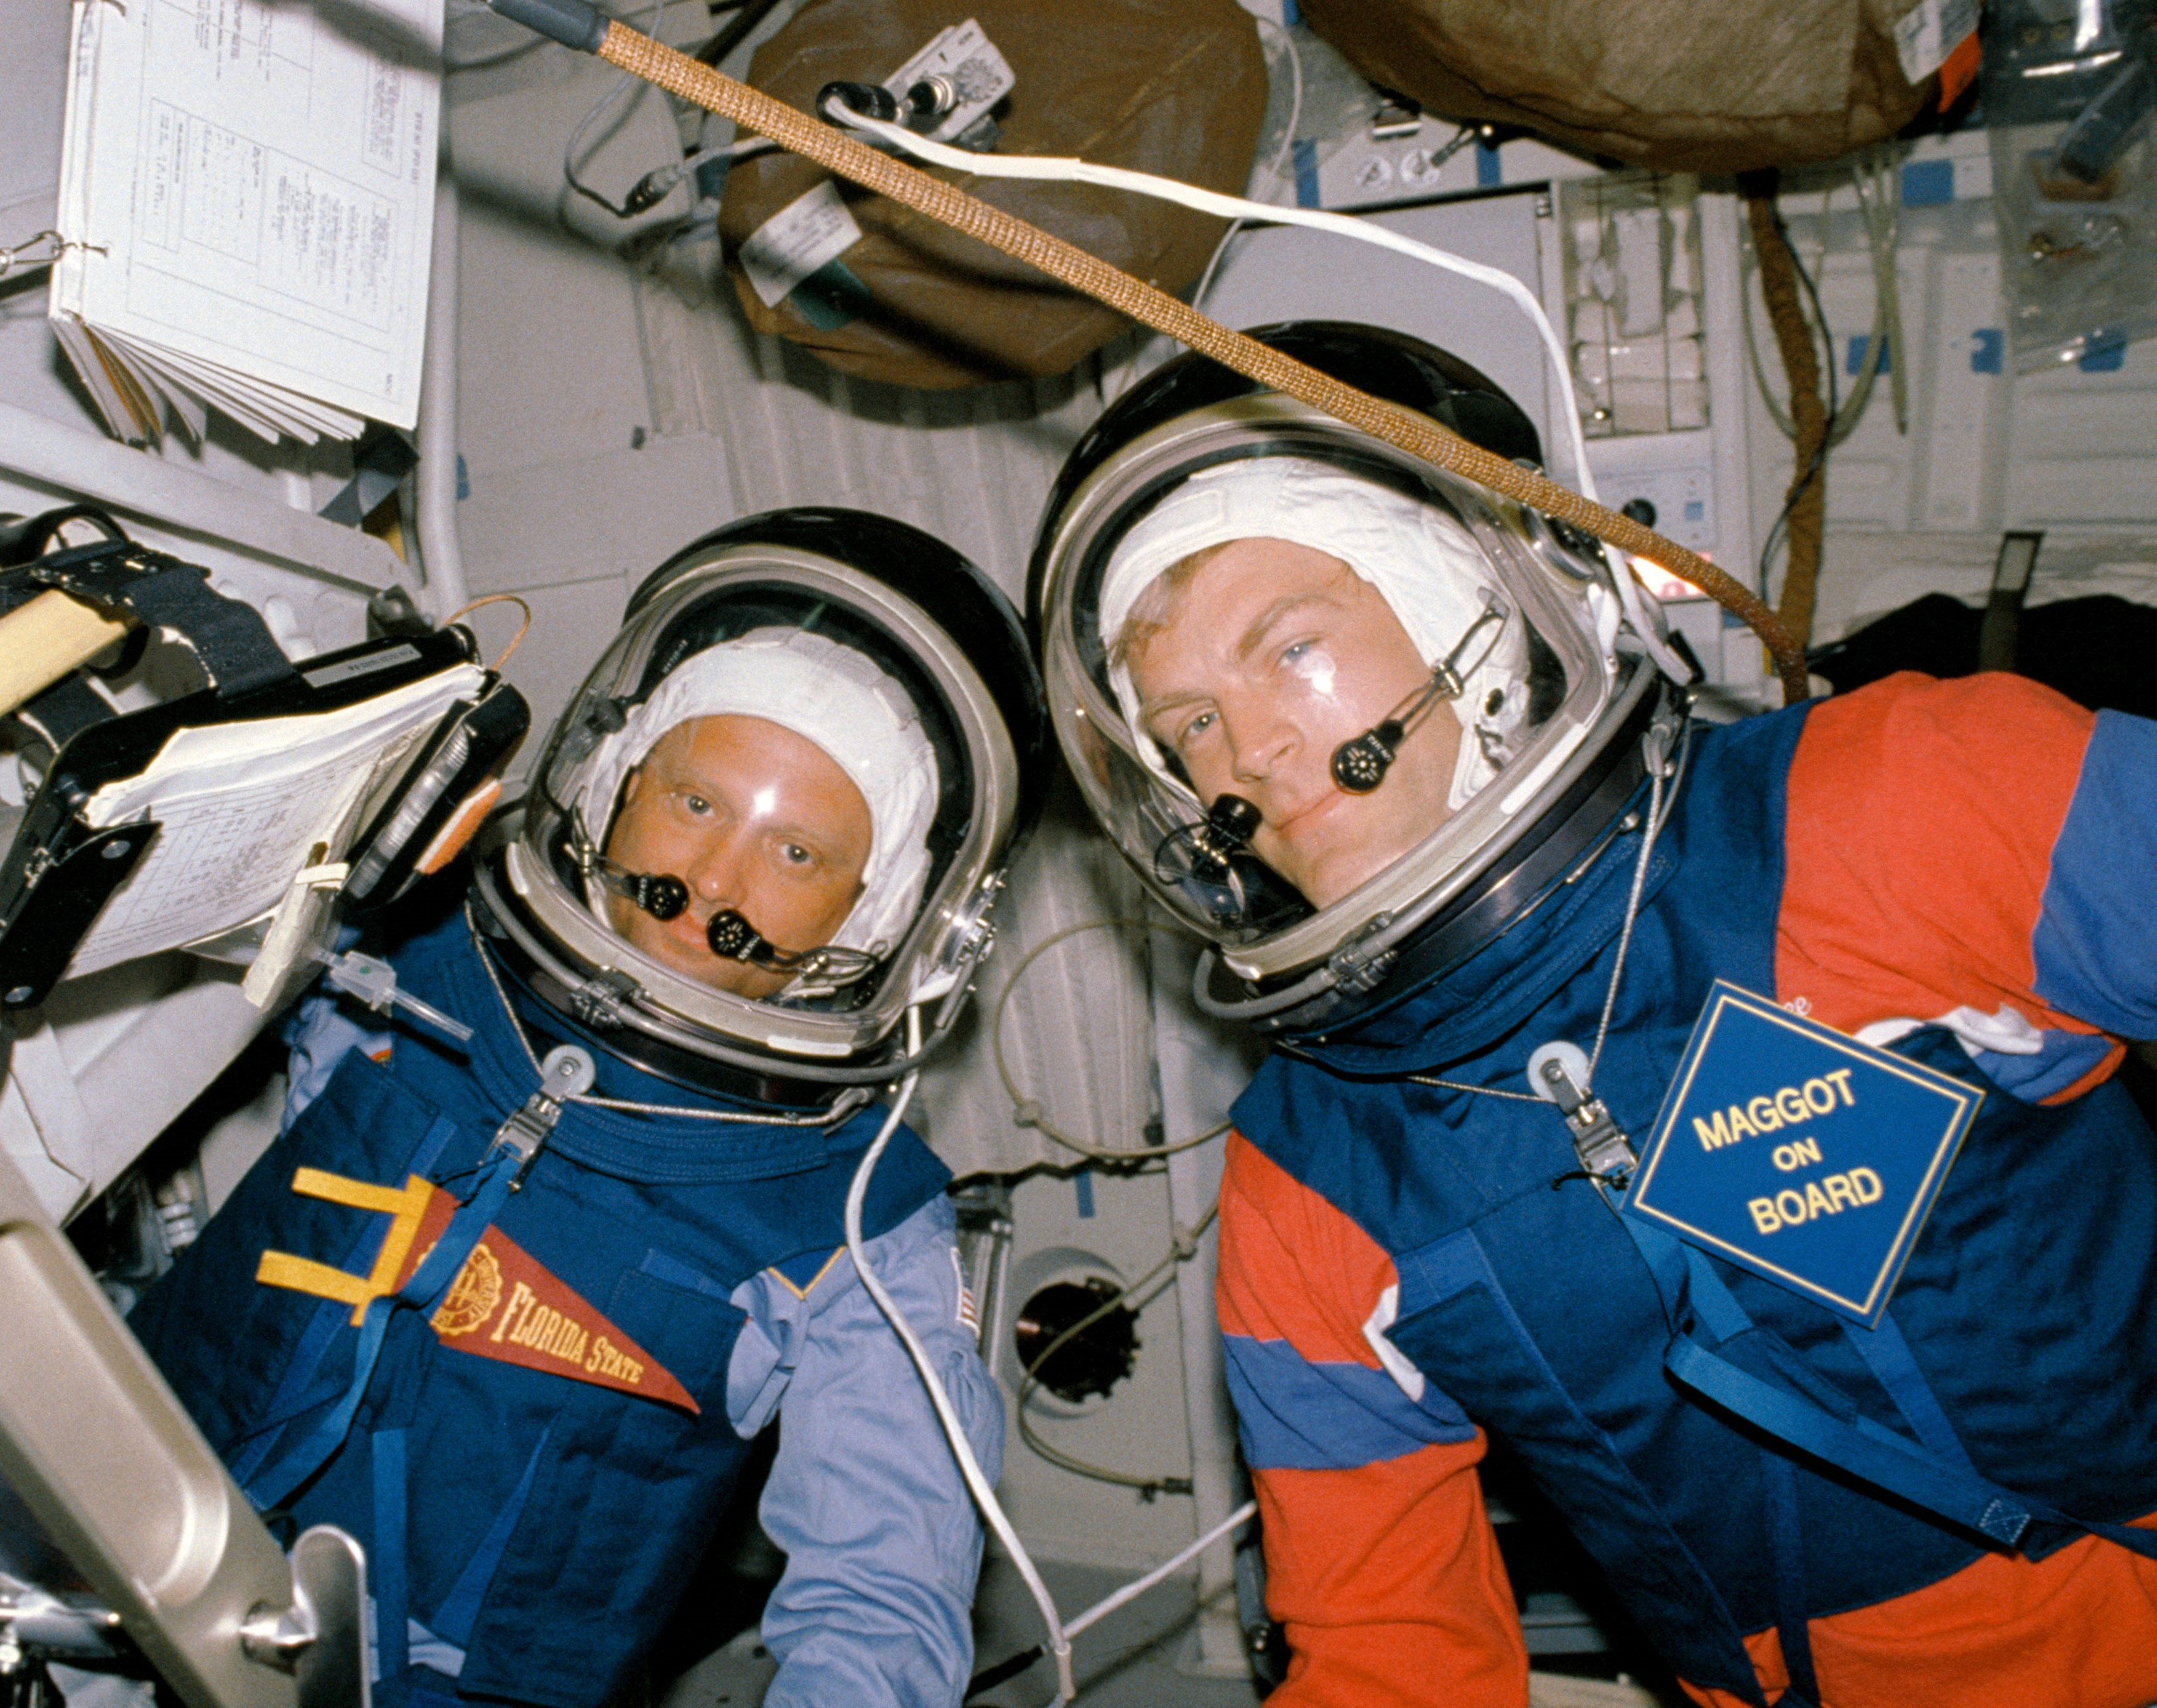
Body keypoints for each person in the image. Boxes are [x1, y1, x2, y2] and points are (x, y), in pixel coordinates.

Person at [1030, 322, 2157, 1708]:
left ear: (1472, 610)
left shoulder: (1901, 801)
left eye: (1290, 649)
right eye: (1187, 725)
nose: (1247, 752)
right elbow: (1391, 1662)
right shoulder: (1307, 1185)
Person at [131, 510, 1048, 1708]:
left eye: (799, 854)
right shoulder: (393, 961)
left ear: (873, 918)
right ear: (616, 781)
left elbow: (880, 1604)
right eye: (698, 802)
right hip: (121, 1559)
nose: (712, 883)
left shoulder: (858, 1218)